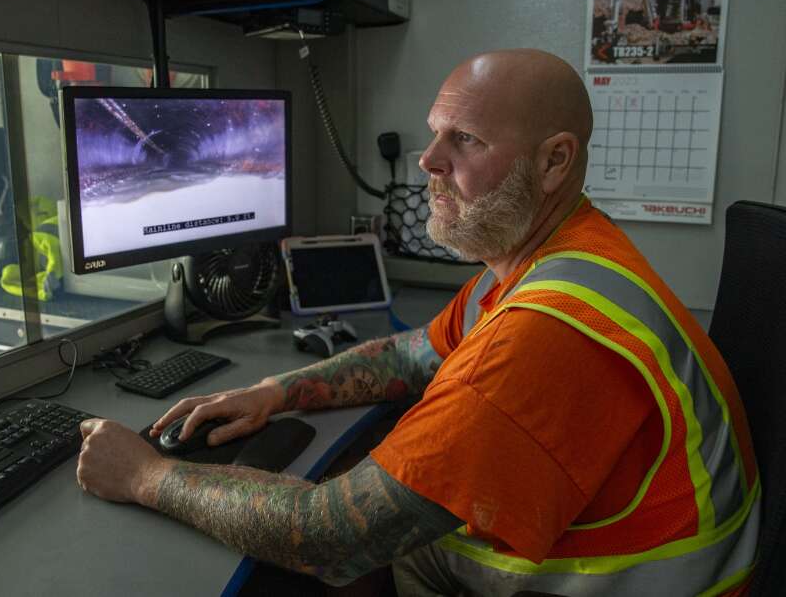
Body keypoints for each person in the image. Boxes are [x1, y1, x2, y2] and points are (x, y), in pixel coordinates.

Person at [75, 49, 758, 596]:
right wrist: (272, 392)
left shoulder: (545, 332)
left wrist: (144, 476)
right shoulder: (562, 250)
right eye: (434, 132)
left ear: (554, 161)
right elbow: (410, 355)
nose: (429, 161)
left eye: (463, 139)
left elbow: (327, 537)